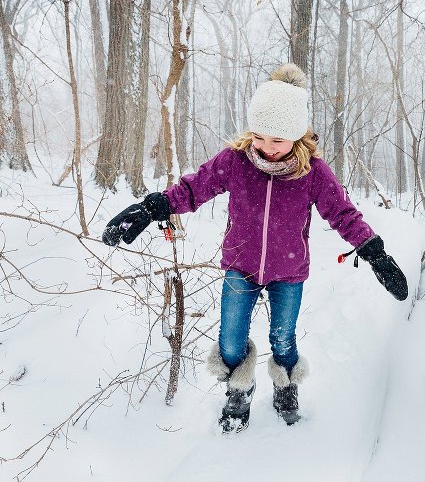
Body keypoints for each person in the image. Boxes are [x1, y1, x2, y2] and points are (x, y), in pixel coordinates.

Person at [102, 63, 408, 433]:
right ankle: (239, 391)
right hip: (240, 264)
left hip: (288, 272)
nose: (266, 147)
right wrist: (152, 208)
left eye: (277, 140)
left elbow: (343, 213)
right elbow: (192, 189)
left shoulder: (312, 172)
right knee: (230, 341)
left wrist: (375, 253)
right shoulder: (235, 161)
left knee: (283, 337)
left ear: (297, 136)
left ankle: (285, 386)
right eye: (260, 137)